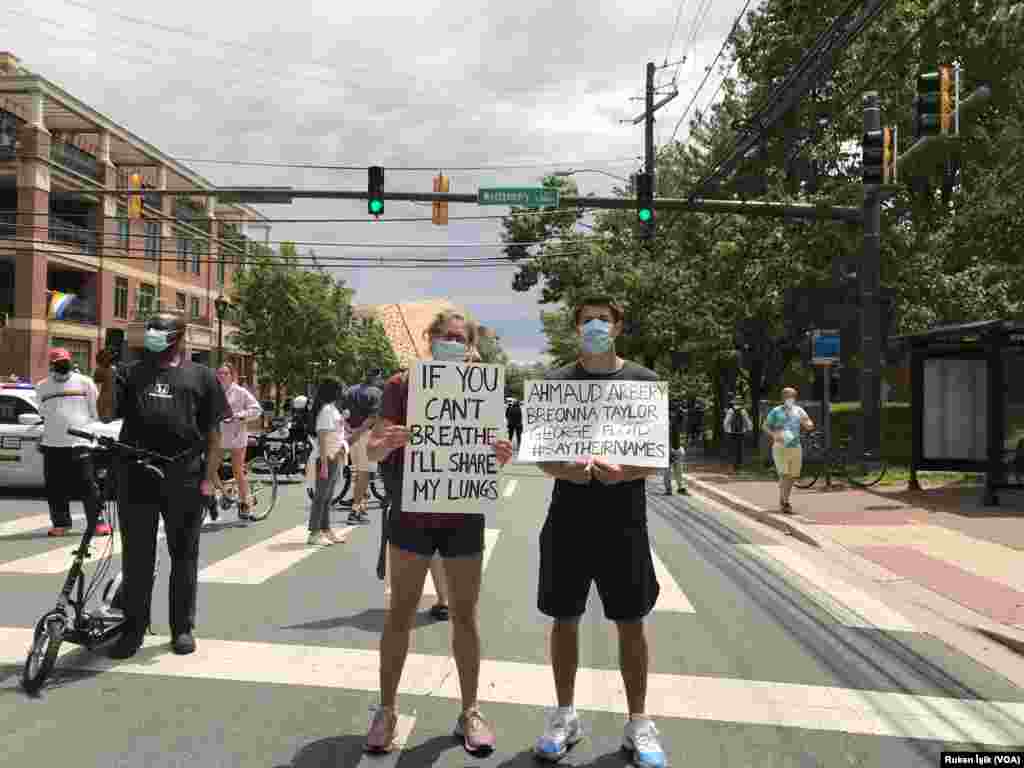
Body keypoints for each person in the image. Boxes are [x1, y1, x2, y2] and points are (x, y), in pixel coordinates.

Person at [363, 309, 513, 756]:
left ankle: (471, 710)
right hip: (411, 514)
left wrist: (501, 452)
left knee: (465, 616)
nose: (451, 342)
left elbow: (496, 446)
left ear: (470, 344)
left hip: (464, 514)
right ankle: (386, 710)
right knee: (400, 615)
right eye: (444, 336)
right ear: (429, 339)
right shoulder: (399, 386)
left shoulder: (482, 386)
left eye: (459, 337)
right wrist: (386, 443)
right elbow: (371, 448)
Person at [533, 296, 667, 768]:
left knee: (631, 623)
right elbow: (543, 455)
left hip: (624, 522)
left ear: (617, 327)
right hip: (568, 519)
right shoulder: (556, 384)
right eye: (587, 320)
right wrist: (565, 470)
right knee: (563, 619)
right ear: (577, 328)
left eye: (603, 320)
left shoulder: (644, 383)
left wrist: (624, 473)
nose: (595, 326)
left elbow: (653, 460)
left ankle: (638, 722)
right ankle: (564, 715)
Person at [108, 313, 229, 659]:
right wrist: (106, 372)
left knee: (184, 555)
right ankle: (133, 631)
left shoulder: (202, 376)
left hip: (185, 477)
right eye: (151, 331)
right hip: (136, 474)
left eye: (160, 332)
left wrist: (209, 478)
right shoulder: (131, 371)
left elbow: (214, 435)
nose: (154, 336)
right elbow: (105, 413)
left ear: (179, 336)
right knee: (137, 558)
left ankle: (182, 629)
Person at [36, 347, 110, 537]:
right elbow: (43, 412)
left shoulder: (85, 382)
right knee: (55, 486)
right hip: (52, 443)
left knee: (88, 484)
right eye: (58, 362)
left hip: (80, 442)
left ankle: (97, 523)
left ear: (70, 361)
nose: (62, 365)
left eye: (64, 361)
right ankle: (60, 524)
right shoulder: (42, 386)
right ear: (51, 365)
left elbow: (94, 410)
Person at [216, 363, 263, 520]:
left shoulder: (240, 392)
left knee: (237, 470)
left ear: (232, 375)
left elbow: (256, 409)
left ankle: (245, 502)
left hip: (237, 436)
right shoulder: (214, 391)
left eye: (225, 373)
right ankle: (226, 493)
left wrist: (239, 415)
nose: (222, 375)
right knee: (210, 468)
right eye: (219, 373)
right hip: (219, 436)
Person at [306, 376, 348, 546]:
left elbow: (335, 433)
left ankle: (326, 530)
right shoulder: (326, 411)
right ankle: (314, 533)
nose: (343, 392)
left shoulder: (331, 409)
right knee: (321, 496)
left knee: (327, 496)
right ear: (334, 392)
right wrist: (323, 464)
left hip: (334, 456)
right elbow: (322, 438)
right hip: (327, 458)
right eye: (340, 389)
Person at [764, 386, 814, 514]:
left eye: (792, 397)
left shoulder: (799, 410)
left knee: (792, 476)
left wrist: (808, 424)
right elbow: (765, 426)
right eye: (788, 397)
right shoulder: (776, 411)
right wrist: (774, 435)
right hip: (780, 447)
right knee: (784, 474)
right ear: (783, 398)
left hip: (795, 446)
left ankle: (783, 498)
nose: (790, 399)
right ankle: (785, 502)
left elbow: (808, 422)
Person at [344, 370, 384, 525]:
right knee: (364, 475)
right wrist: (359, 432)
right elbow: (373, 417)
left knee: (358, 474)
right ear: (376, 377)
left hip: (352, 435)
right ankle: (354, 512)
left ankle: (360, 507)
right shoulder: (376, 393)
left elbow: (344, 414)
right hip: (366, 435)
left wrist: (350, 431)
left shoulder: (350, 391)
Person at [662, 402, 687, 496]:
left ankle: (677, 488)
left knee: (676, 470)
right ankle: (671, 488)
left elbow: (679, 436)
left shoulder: (676, 422)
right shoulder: (669, 422)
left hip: (676, 448)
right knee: (669, 470)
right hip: (670, 448)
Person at [723, 396, 753, 471]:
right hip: (741, 432)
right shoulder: (743, 410)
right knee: (739, 449)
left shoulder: (730, 410)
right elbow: (747, 421)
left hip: (731, 432)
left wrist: (726, 430)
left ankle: (732, 465)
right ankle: (739, 465)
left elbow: (726, 421)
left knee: (732, 449)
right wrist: (749, 429)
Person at [93, 347, 117, 423]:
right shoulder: (101, 370)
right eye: (108, 357)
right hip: (105, 400)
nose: (111, 359)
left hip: (110, 399)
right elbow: (97, 388)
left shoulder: (112, 369)